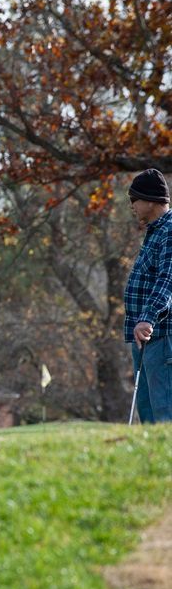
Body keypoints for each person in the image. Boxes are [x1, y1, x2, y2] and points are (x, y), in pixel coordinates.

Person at [124, 168, 172, 423]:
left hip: (162, 335)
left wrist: (148, 318)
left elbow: (168, 280)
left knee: (166, 415)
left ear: (151, 200)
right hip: (146, 337)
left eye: (135, 199)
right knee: (150, 417)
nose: (131, 205)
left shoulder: (170, 230)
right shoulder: (155, 232)